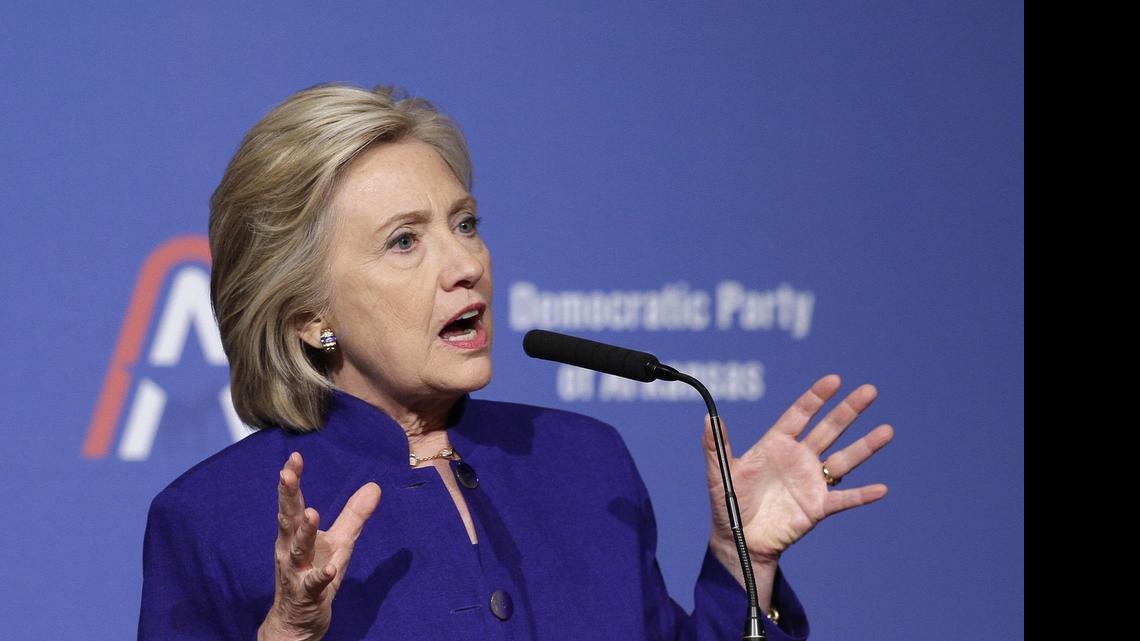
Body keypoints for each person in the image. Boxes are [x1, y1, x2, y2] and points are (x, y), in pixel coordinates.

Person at [138, 83, 894, 641]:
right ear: (310, 314)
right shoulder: (212, 517)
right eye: (405, 241)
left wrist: (743, 562)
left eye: (465, 223)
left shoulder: (582, 462)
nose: (465, 263)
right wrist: (289, 633)